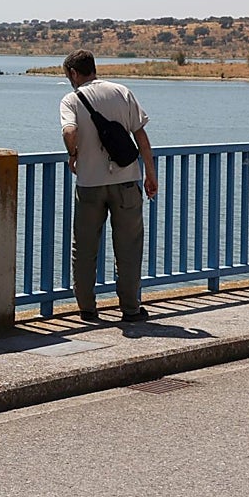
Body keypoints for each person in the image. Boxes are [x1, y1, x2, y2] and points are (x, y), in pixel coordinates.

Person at [60, 49, 158, 323]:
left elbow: (70, 131)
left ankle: (87, 308)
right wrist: (150, 174)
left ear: (74, 73)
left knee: (85, 248)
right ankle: (130, 308)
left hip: (90, 183)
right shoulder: (121, 92)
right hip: (126, 180)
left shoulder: (71, 99)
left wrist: (73, 153)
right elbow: (141, 136)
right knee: (129, 248)